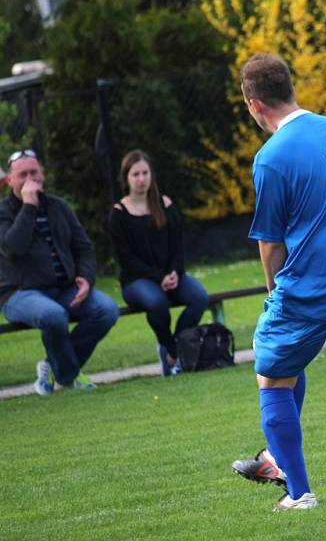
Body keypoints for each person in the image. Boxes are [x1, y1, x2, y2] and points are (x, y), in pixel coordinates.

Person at [229, 53, 326, 511]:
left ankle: (298, 493)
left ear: (254, 105)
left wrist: (274, 292)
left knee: (270, 370)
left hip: (324, 281)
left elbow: (270, 243)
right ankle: (273, 457)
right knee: (286, 361)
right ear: (291, 87)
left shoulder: (272, 156)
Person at [0, 150, 119, 395]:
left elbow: (83, 247)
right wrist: (29, 208)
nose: (30, 179)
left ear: (43, 174)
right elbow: (12, 249)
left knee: (106, 310)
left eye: (34, 172)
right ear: (10, 180)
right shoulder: (3, 212)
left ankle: (53, 366)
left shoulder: (58, 207)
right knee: (53, 316)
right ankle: (68, 376)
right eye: (22, 175)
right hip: (19, 293)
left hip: (64, 288)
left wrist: (86, 278)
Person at [108, 149, 209, 376]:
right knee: (157, 303)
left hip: (171, 276)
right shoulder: (118, 214)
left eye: (145, 173)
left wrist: (174, 272)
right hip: (137, 281)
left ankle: (175, 348)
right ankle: (171, 351)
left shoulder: (166, 204)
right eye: (136, 174)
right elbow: (127, 260)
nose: (141, 179)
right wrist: (158, 278)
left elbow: (178, 247)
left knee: (199, 297)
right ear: (126, 178)